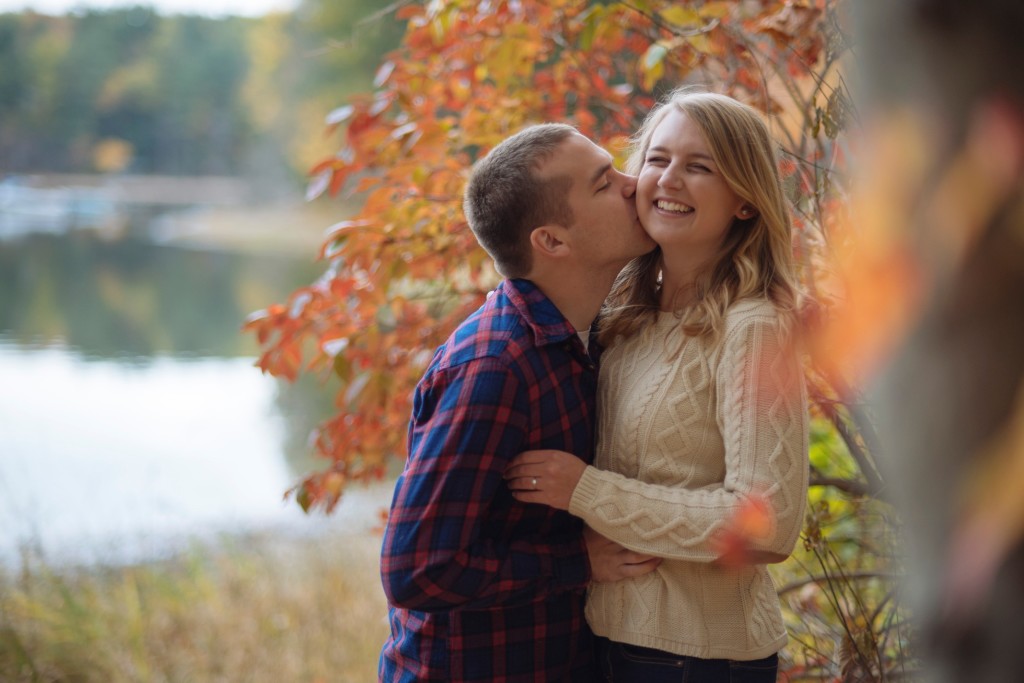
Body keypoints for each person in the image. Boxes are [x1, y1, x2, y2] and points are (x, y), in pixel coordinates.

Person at [506, 90, 810, 682]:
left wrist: (587, 493)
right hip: (605, 641)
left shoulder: (753, 326)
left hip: (699, 657)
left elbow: (768, 525)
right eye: (657, 160)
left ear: (744, 202)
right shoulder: (624, 317)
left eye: (699, 167)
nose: (669, 180)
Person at [377, 123, 662, 682]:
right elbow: (416, 569)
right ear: (552, 241)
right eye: (605, 183)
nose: (636, 184)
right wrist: (576, 563)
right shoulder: (495, 367)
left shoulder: (587, 338)